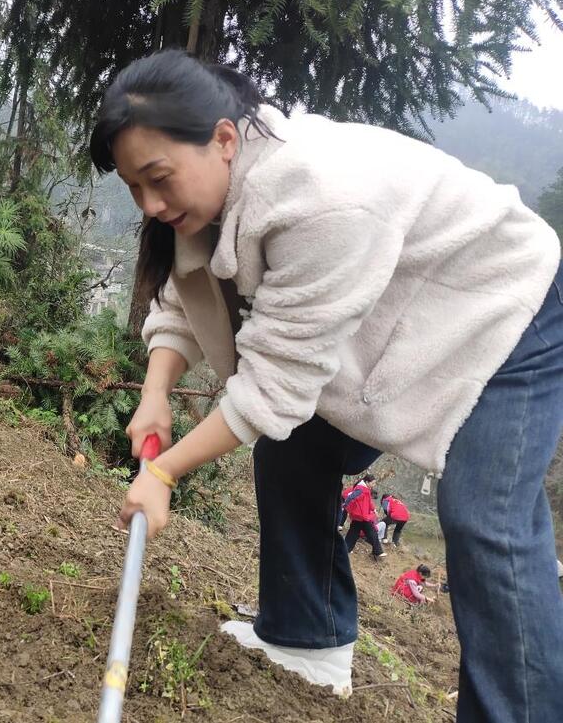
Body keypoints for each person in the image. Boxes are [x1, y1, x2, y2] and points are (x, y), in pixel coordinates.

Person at [91, 50, 563, 717]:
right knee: (292, 442)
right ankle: (307, 635)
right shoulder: (215, 197)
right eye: (134, 187)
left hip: (506, 309)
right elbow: (183, 298)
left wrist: (163, 473)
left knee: (486, 521)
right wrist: (155, 391)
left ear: (224, 139)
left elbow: (273, 386)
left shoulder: (321, 200)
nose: (151, 202)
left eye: (158, 178)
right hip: (396, 317)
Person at [342, 475, 385, 559]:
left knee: (353, 533)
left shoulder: (366, 490)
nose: (374, 485)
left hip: (361, 516)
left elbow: (369, 502)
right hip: (362, 516)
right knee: (372, 532)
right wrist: (345, 506)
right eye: (373, 483)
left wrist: (374, 510)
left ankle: (346, 549)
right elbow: (350, 497)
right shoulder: (360, 490)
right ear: (367, 482)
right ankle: (378, 551)